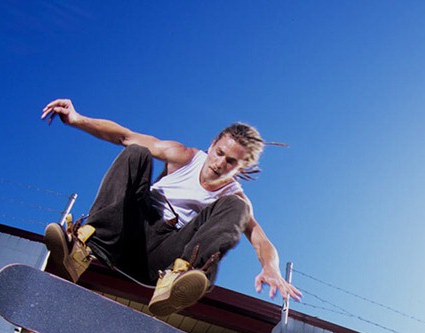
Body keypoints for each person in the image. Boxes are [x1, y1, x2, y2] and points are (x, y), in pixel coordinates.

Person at [40, 98, 301, 316]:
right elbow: (124, 136)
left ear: (241, 168)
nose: (220, 163)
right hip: (124, 237)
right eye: (219, 152)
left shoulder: (234, 197)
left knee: (238, 208)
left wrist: (271, 268)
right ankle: (81, 250)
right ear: (211, 145)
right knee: (136, 152)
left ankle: (178, 280)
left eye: (231, 162)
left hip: (164, 260)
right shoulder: (184, 156)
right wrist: (77, 119)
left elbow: (260, 241)